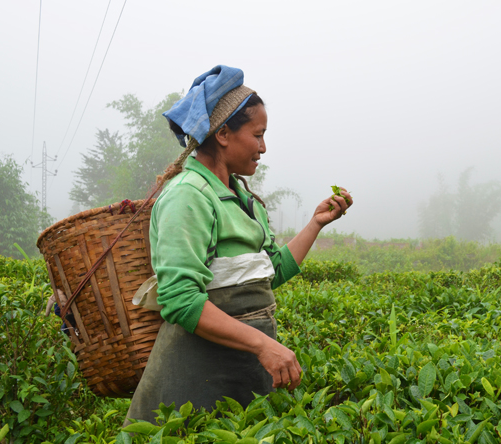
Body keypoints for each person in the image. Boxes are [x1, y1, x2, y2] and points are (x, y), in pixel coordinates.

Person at [125, 65, 352, 424]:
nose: (263, 148)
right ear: (225, 133)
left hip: (241, 376)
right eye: (258, 135)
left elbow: (266, 275)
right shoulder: (188, 196)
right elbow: (180, 299)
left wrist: (316, 224)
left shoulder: (241, 198)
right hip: (193, 382)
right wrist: (263, 344)